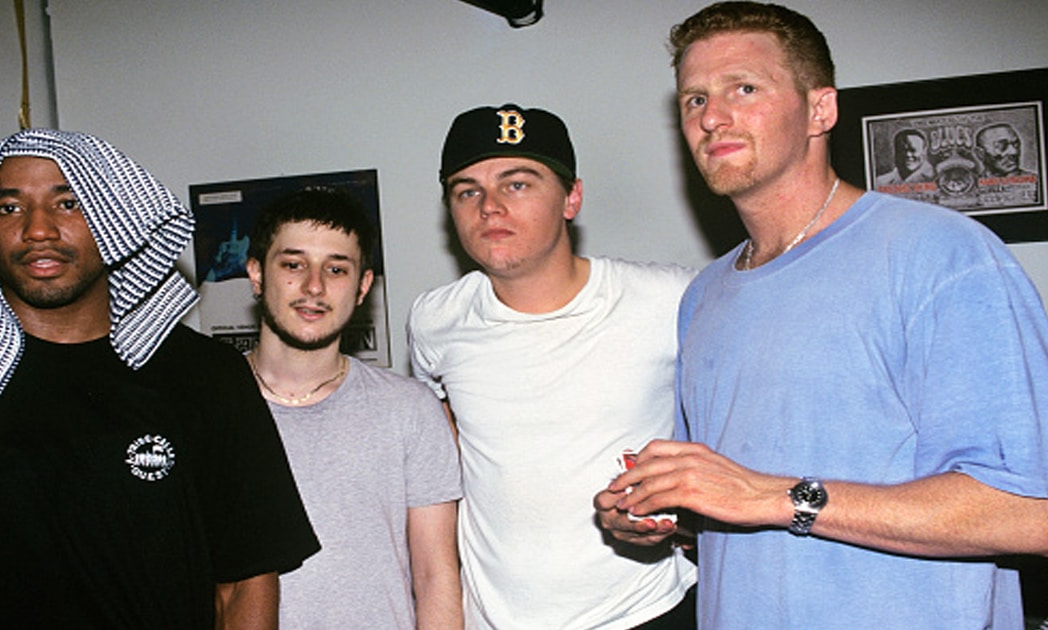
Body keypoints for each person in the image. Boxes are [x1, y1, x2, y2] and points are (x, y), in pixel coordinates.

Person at [594, 3, 1048, 629]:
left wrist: (775, 497)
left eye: (744, 88)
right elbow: (739, 503)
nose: (713, 116)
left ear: (820, 110)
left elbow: (1029, 511)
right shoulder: (705, 294)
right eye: (694, 99)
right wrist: (664, 516)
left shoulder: (944, 256)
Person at [0, 128, 320, 629]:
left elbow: (244, 583)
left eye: (68, 203)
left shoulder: (207, 377)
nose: (37, 230)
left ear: (117, 219)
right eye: (9, 208)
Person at [408, 103, 698, 630]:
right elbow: (442, 444)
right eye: (467, 190)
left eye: (517, 184)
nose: (489, 207)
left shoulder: (668, 299)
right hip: (493, 619)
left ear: (572, 197)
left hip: (644, 612)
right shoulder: (435, 320)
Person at [242, 186, 463, 629]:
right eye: (292, 264)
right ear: (256, 274)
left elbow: (436, 576)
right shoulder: (203, 402)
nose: (314, 286)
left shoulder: (410, 409)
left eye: (336, 269)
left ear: (363, 286)